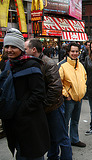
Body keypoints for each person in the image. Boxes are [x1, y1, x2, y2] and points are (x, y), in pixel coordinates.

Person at [2, 28, 50, 159]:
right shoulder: (8, 65)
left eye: (13, 46)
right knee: (21, 152)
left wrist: (21, 110)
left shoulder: (31, 65)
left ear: (20, 47)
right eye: (7, 46)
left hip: (30, 121)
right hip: (14, 122)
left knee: (32, 154)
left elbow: (39, 94)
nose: (9, 50)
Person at [25, 38, 72, 160]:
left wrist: (44, 105)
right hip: (44, 107)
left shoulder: (48, 63)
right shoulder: (31, 62)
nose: (24, 51)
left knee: (61, 137)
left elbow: (55, 89)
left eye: (25, 49)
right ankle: (52, 157)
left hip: (53, 107)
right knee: (50, 136)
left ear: (33, 49)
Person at [58, 42, 87, 148]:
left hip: (79, 98)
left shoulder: (80, 65)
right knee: (65, 122)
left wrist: (83, 91)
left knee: (75, 121)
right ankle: (64, 143)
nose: (75, 53)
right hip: (69, 99)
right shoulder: (62, 65)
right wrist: (66, 95)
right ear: (68, 52)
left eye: (76, 51)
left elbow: (84, 77)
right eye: (73, 51)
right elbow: (58, 83)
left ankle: (74, 139)